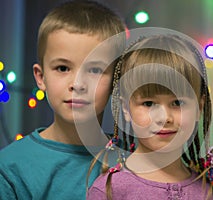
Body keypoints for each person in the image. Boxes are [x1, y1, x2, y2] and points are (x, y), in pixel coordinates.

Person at [0, 1, 125, 199]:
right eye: (63, 68)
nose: (77, 83)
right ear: (41, 77)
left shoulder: (135, 159)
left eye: (94, 70)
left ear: (115, 81)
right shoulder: (9, 169)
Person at [87, 34, 213, 200]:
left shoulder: (209, 193)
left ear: (199, 107)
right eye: (149, 104)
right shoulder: (109, 191)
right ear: (126, 108)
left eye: (177, 103)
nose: (164, 118)